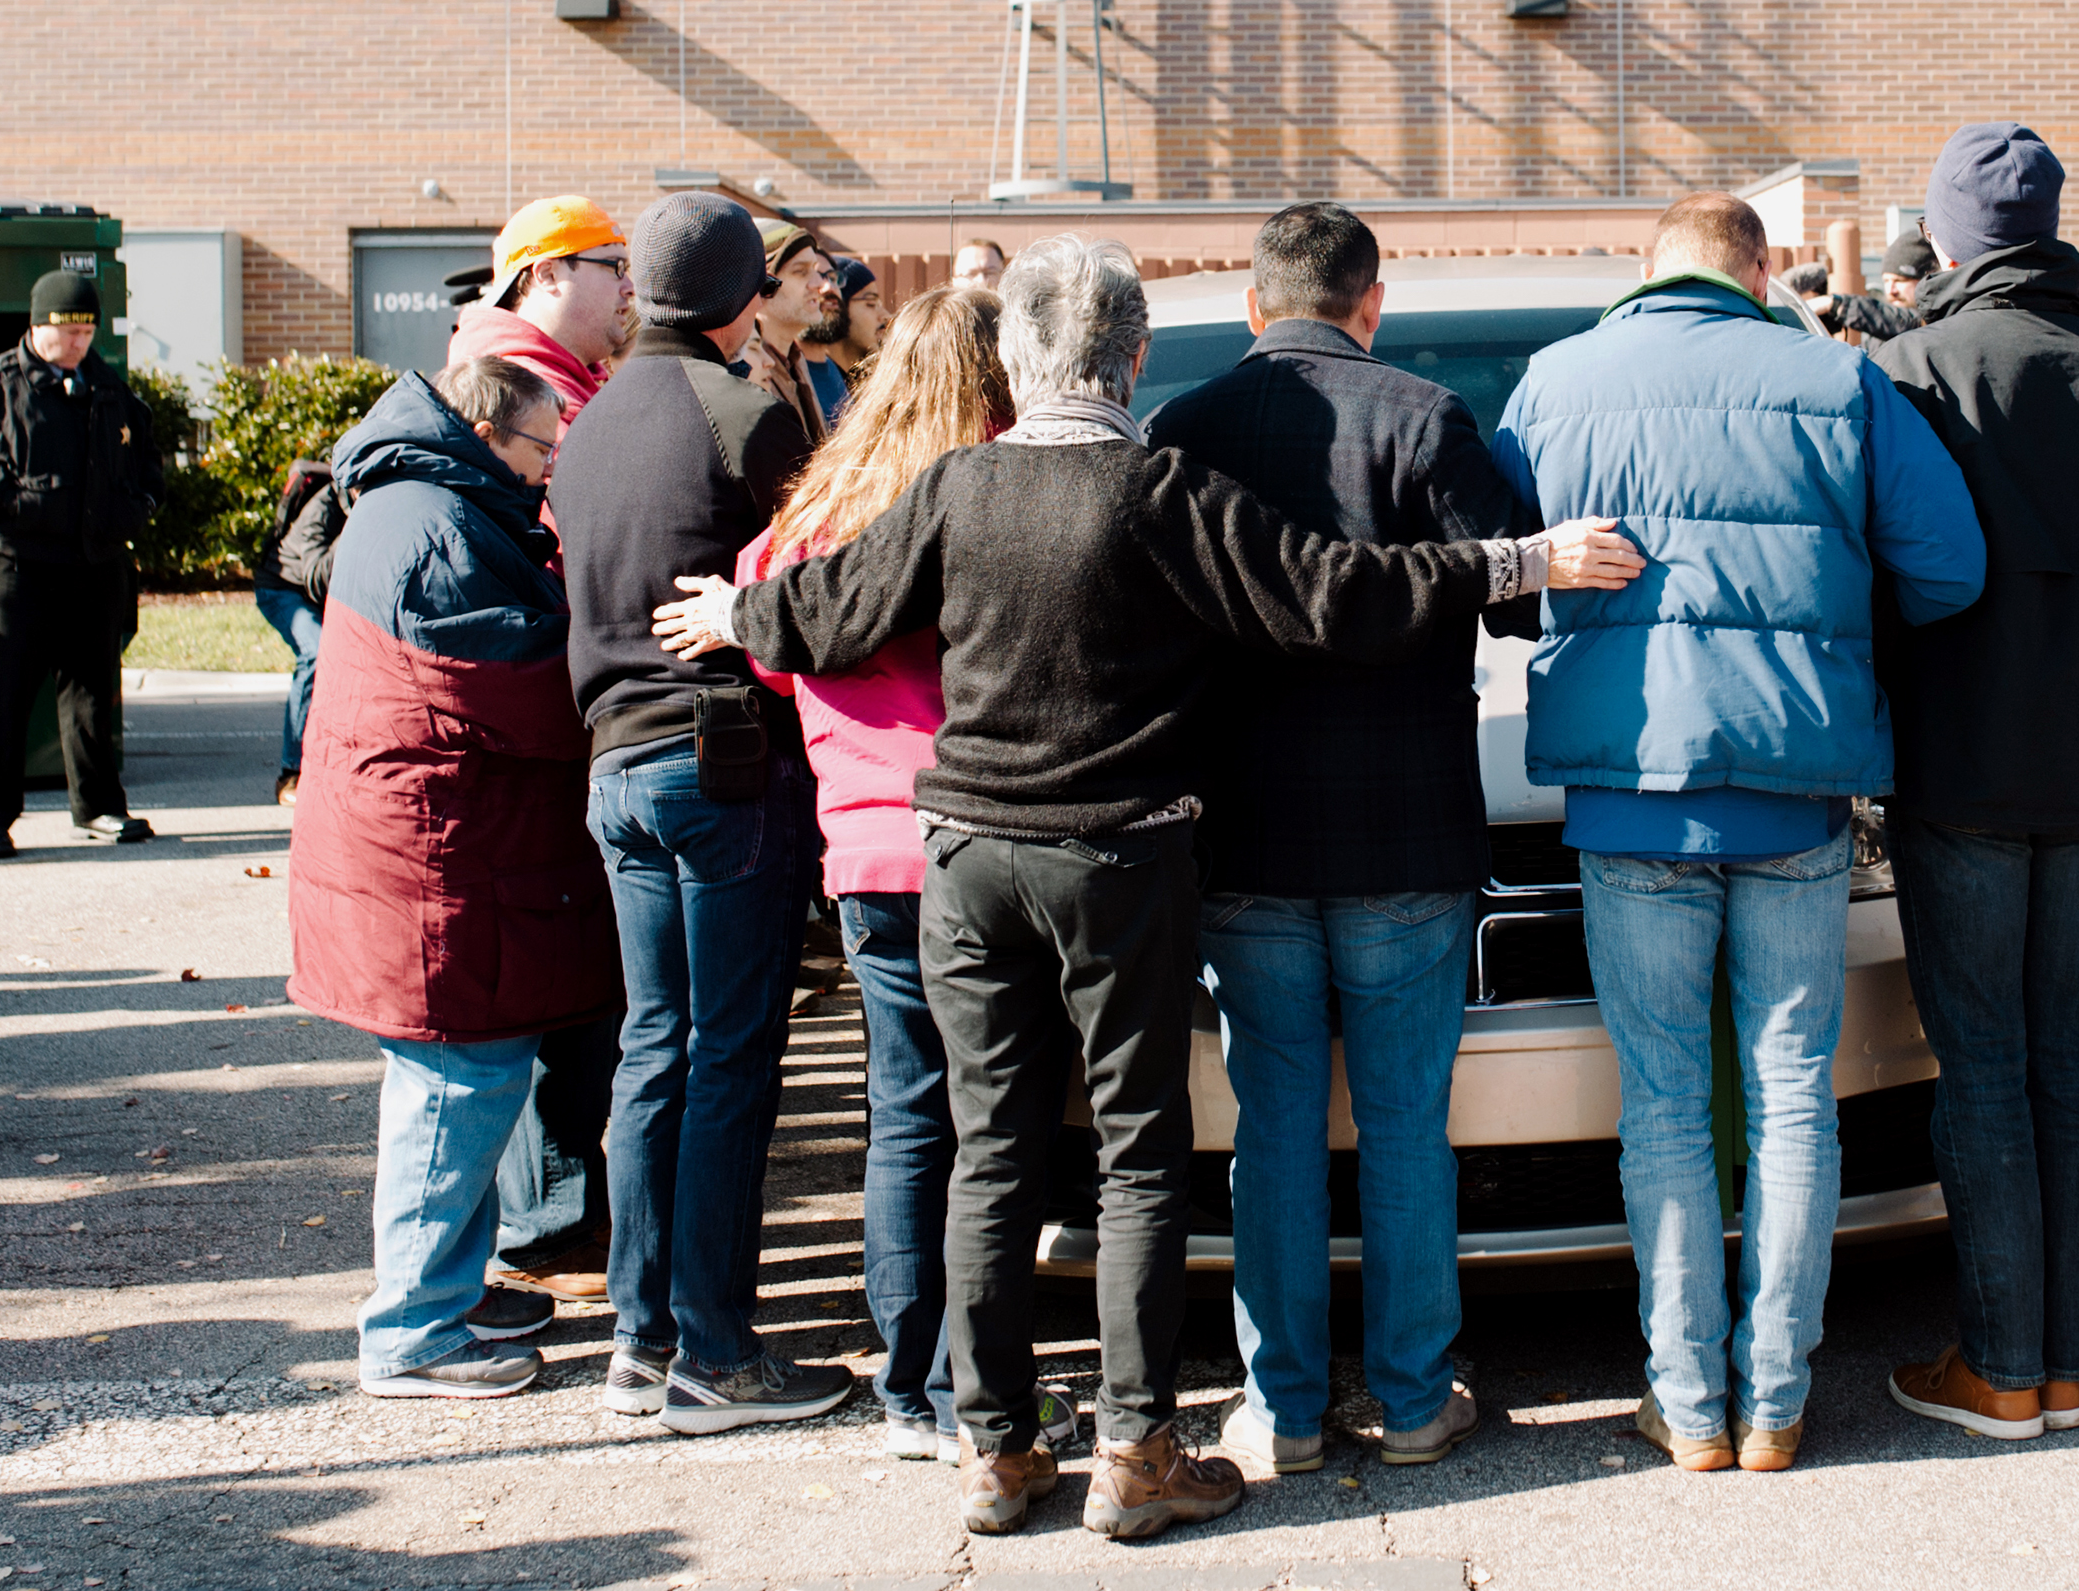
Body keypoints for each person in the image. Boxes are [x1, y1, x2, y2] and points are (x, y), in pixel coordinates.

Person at [656, 232, 1642, 1540]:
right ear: (1129, 362)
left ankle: (997, 1455)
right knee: (1136, 1156)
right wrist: (1528, 561)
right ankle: (1134, 1451)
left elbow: (830, 610)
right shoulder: (1157, 487)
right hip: (1118, 857)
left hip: (969, 861)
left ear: (1016, 360)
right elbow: (1336, 594)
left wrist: (731, 615)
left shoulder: (957, 485)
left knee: (992, 1156)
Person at [1494, 193, 1985, 1473]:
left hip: (1630, 784)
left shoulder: (1555, 382)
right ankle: (1775, 1397)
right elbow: (1949, 569)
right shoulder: (1837, 378)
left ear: (1644, 272)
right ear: (1760, 270)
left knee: (1659, 1101)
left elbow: (1500, 570)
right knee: (1790, 1096)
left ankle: (1689, 1403)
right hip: (1794, 786)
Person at [1142, 203, 1536, 1477]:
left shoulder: (1185, 429)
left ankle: (1286, 1407)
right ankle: (1419, 1398)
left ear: (1260, 308)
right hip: (1406, 835)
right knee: (1408, 1126)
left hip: (1244, 834)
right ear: (1374, 302)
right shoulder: (1424, 418)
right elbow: (1519, 590)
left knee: (1274, 1132)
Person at [1866, 125, 2079, 1440]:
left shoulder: (1912, 370)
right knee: (2074, 1063)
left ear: (1945, 237)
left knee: (1983, 1064)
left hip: (1961, 765)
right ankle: (2059, 1362)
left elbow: (1882, 578)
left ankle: (2002, 1367)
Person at [547, 189, 849, 1433]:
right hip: (722, 764)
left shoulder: (592, 419)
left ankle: (639, 1335)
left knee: (655, 1049)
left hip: (612, 765)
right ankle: (717, 1353)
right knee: (731, 1054)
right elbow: (824, 584)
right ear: (739, 295)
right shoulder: (747, 414)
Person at [729, 284, 1041, 1465]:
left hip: (863, 848)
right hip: (987, 833)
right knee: (996, 1117)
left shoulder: (819, 507)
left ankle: (911, 1382)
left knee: (906, 1113)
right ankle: (983, 1376)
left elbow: (767, 640)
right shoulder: (994, 489)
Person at [284, 354, 620, 1398]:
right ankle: (412, 1330)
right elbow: (507, 689)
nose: (546, 471)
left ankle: (452, 1287)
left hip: (430, 842)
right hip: (429, 853)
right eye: (539, 450)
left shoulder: (419, 501)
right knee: (455, 1081)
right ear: (482, 430)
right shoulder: (437, 524)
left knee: (466, 1075)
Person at [445, 195, 635, 1307]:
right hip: (534, 727)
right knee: (539, 991)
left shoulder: (561, 376)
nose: (626, 287)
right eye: (609, 265)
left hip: (568, 716)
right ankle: (548, 1221)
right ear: (543, 275)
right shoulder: (514, 380)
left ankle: (555, 1210)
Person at [0, 268, 164, 860]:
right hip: (12, 569)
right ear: (37, 328)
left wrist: (133, 512)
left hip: (93, 566)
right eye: (67, 331)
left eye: (87, 330)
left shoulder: (110, 388)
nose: (79, 343)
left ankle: (99, 807)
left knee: (92, 690)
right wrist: (21, 506)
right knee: (3, 697)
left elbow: (147, 467)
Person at [450, 196, 634, 425]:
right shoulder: (525, 400)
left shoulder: (556, 385)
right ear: (547, 275)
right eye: (615, 267)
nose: (629, 287)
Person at [252, 457, 335, 805]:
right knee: (315, 652)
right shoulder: (323, 506)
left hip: (319, 593)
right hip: (283, 588)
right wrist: (355, 530)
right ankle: (291, 774)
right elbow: (317, 576)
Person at [744, 219, 840, 439]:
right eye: (800, 271)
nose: (819, 284)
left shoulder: (796, 359)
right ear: (762, 283)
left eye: (814, 270)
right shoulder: (746, 369)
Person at [826, 256, 889, 391]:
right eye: (871, 304)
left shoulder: (871, 387)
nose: (885, 316)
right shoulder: (816, 385)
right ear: (837, 308)